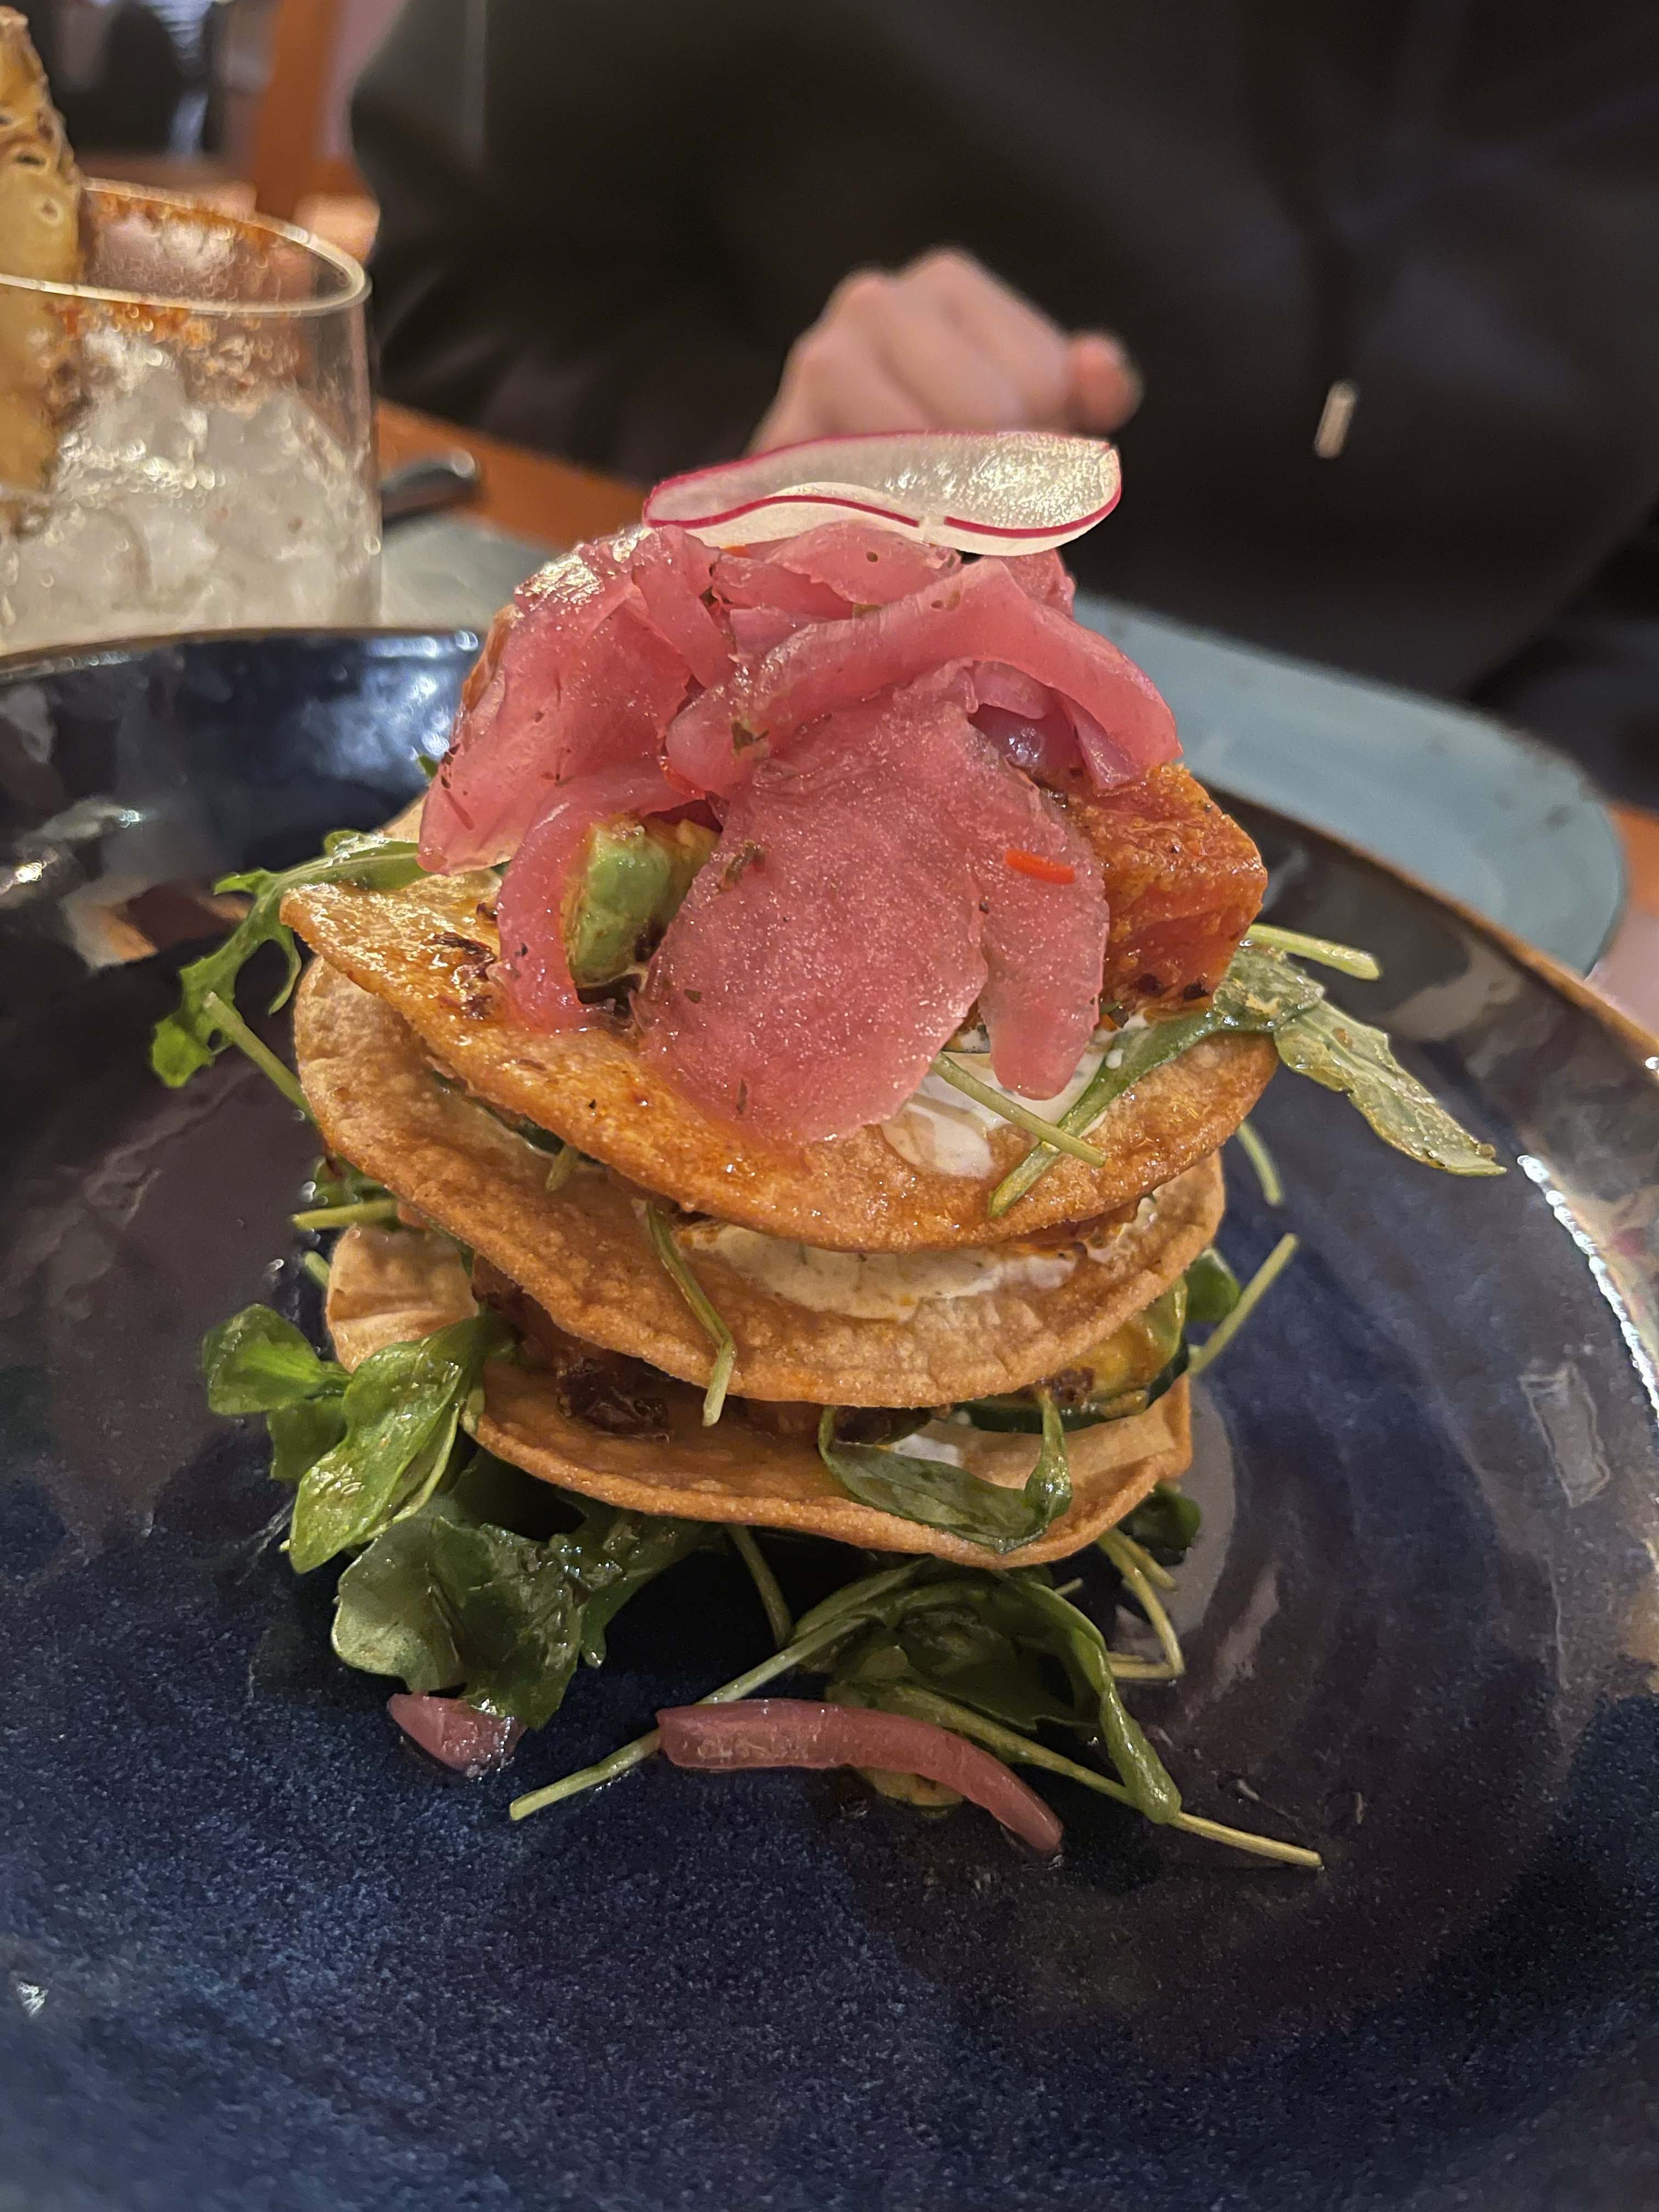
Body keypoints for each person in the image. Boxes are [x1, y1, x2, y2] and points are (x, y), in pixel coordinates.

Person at [353, 1, 1659, 803]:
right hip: (734, 717)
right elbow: (453, 298)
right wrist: (751, 470)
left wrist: (1586, 812)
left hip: (1496, 885)